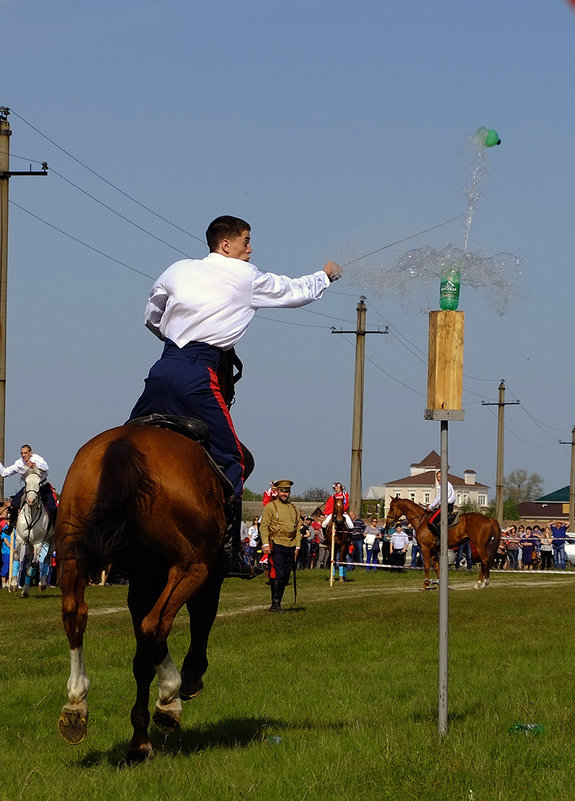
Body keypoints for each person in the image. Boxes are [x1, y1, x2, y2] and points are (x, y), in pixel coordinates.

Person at [128, 215, 342, 577]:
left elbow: (151, 316)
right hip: (198, 374)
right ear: (226, 246)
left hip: (162, 368)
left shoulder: (177, 269)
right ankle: (228, 553)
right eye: (246, 241)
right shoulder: (246, 276)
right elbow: (294, 292)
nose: (250, 248)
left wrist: (176, 336)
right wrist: (325, 275)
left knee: (129, 448)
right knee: (233, 459)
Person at [259, 480, 301, 612]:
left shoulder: (293, 508)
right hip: (276, 543)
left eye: (287, 491)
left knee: (285, 575)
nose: (284, 493)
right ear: (277, 491)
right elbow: (264, 526)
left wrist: (297, 547)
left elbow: (297, 529)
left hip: (290, 544)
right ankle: (275, 605)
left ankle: (278, 603)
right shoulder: (271, 507)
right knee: (278, 574)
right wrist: (265, 543)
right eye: (282, 491)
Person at [0, 445, 58, 530]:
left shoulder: (37, 458)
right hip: (29, 488)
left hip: (42, 486)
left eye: (25, 453)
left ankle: (56, 528)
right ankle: (11, 527)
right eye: (22, 453)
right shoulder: (19, 463)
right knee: (15, 503)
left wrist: (35, 464)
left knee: (53, 508)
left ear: (30, 453)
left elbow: (46, 467)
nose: (23, 455)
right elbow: (4, 473)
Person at [427, 470, 456, 539]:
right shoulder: (448, 484)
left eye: (439, 477)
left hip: (445, 507)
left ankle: (441, 538)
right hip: (448, 506)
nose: (438, 478)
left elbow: (439, 498)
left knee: (430, 521)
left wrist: (431, 507)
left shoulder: (444, 485)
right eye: (437, 477)